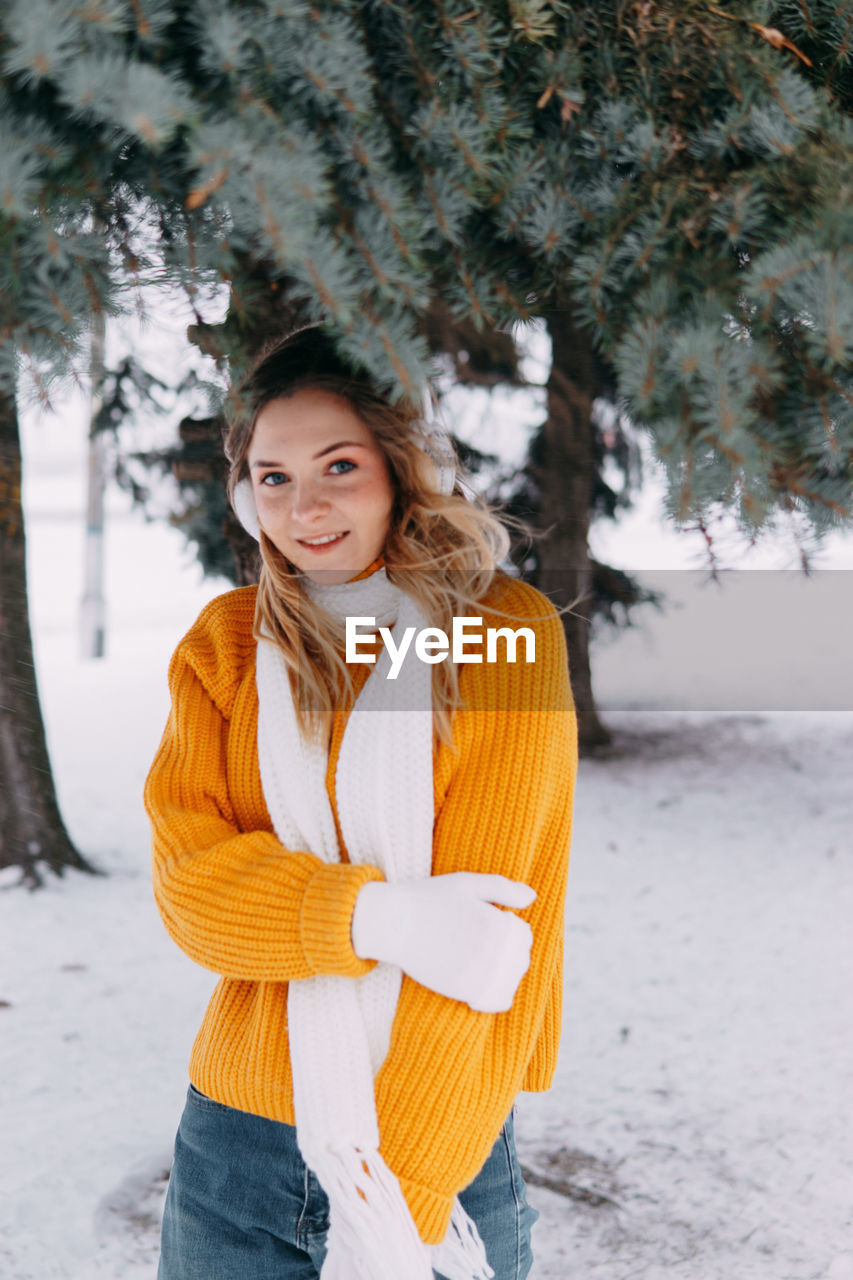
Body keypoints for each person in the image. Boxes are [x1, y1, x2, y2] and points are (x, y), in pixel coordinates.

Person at [144, 324, 578, 1280]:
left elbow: (492, 945)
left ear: (401, 468)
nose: (306, 507)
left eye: (337, 465)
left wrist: (400, 1212)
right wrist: (379, 915)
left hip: (442, 1134)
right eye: (273, 477)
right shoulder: (224, 647)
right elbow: (192, 890)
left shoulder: (499, 636)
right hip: (238, 1143)